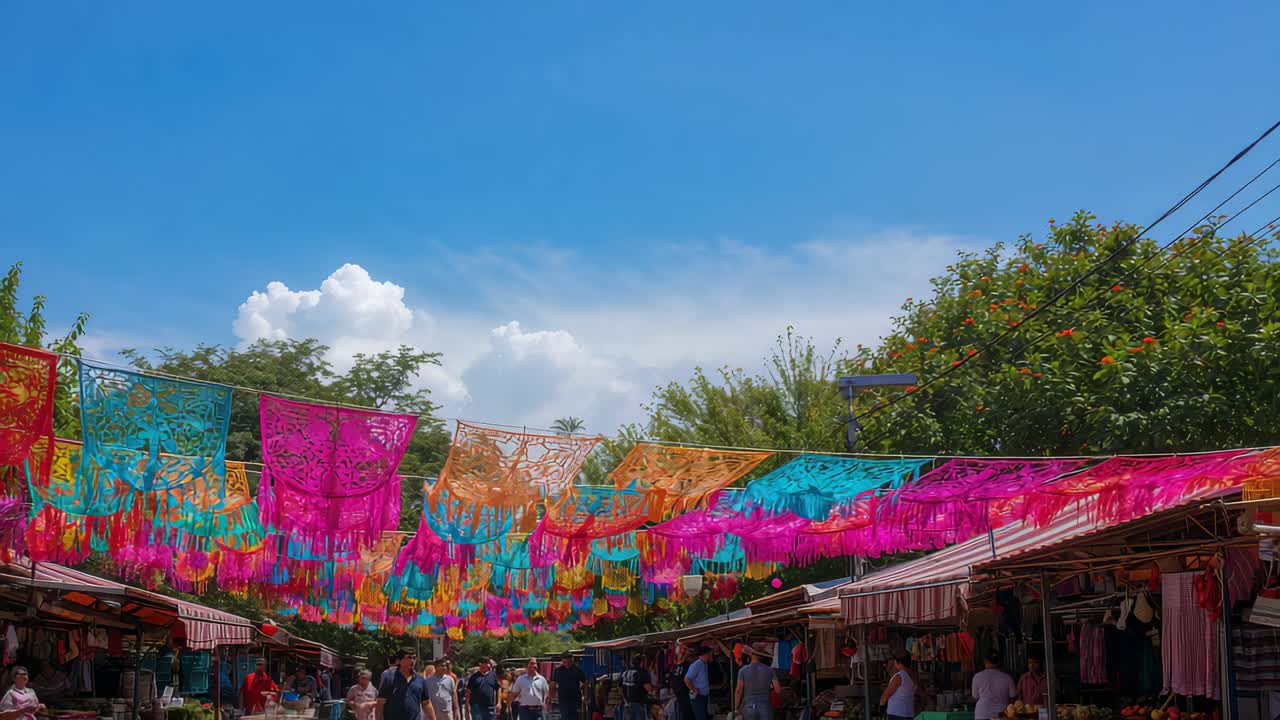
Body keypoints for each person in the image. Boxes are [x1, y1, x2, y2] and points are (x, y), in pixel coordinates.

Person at [377, 648, 435, 720]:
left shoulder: (420, 679)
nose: (412, 661)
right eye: (409, 657)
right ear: (399, 661)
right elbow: (380, 703)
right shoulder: (389, 678)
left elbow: (426, 703)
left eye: (414, 658)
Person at [735, 647, 780, 720]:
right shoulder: (770, 670)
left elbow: (738, 691)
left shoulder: (743, 671)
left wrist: (736, 708)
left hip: (749, 707)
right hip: (765, 706)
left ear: (751, 655)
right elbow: (778, 690)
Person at [971, 655, 1016, 720]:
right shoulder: (1008, 678)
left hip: (982, 713)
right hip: (1001, 714)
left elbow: (975, 697)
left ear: (985, 662)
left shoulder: (977, 676)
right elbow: (1013, 697)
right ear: (999, 662)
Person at [548, 654, 587, 720]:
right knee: (565, 717)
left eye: (569, 662)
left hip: (576, 699)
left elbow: (585, 683)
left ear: (572, 660)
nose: (567, 664)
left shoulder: (578, 670)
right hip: (563, 699)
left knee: (575, 717)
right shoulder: (558, 670)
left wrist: (585, 696)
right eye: (564, 662)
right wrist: (550, 697)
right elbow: (553, 684)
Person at [878, 656, 917, 720]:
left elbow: (886, 695)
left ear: (899, 663)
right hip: (908, 713)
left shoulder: (899, 676)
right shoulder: (913, 674)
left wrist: (881, 707)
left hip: (897, 714)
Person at [683, 647, 713, 720]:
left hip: (704, 695)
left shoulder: (704, 664)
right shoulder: (697, 665)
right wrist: (694, 689)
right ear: (705, 654)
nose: (710, 655)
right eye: (709, 653)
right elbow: (686, 679)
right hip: (698, 696)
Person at [668, 647, 696, 720]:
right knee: (685, 711)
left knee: (686, 711)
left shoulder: (686, 665)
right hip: (681, 691)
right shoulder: (677, 665)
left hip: (683, 691)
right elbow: (672, 677)